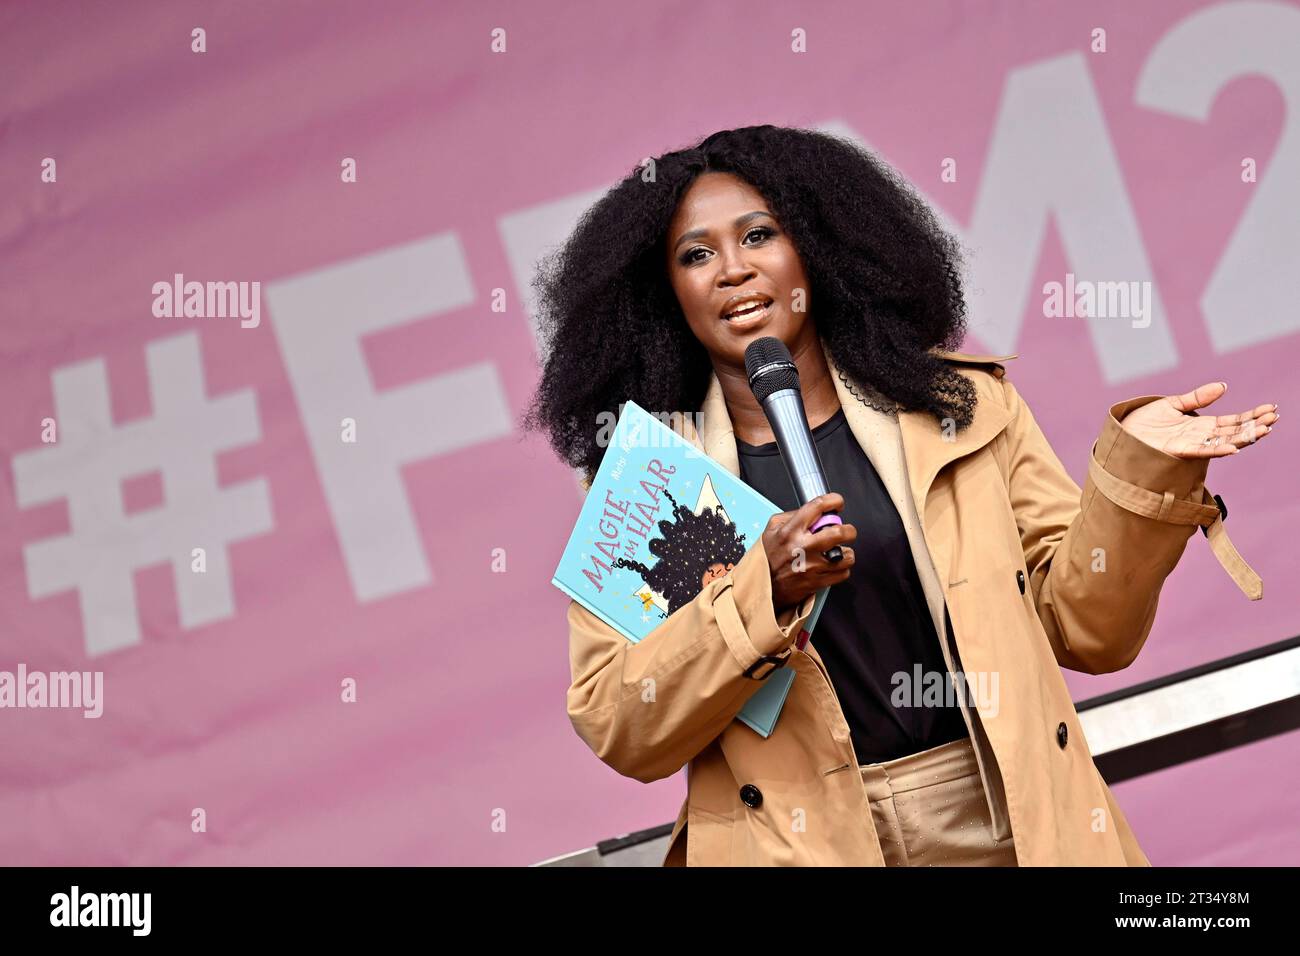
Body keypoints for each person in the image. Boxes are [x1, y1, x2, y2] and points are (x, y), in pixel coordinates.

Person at [522, 125, 1274, 866]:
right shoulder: (646, 486)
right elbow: (625, 725)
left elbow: (1088, 631)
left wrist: (1137, 476)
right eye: (696, 254)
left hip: (1010, 822)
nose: (732, 269)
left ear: (817, 250)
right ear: (665, 296)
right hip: (801, 849)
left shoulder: (962, 410)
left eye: (759, 236)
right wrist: (763, 593)